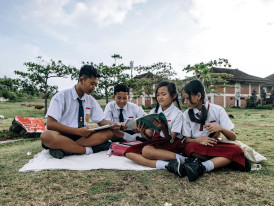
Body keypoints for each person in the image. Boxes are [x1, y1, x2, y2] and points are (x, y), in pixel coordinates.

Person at [166, 79, 251, 182]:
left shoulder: (218, 110)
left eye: (187, 98)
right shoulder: (186, 115)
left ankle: (201, 166)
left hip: (214, 145)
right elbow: (187, 140)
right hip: (197, 147)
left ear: (198, 96)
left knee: (236, 149)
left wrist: (221, 128)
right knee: (189, 148)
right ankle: (222, 161)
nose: (185, 102)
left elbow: (233, 137)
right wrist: (198, 140)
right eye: (184, 99)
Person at [40, 65, 121, 159]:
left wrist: (114, 124)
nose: (94, 87)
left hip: (82, 137)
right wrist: (77, 131)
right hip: (62, 135)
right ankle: (88, 150)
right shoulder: (61, 97)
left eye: (96, 85)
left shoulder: (90, 100)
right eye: (92, 84)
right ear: (82, 80)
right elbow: (50, 124)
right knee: (46, 136)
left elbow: (101, 121)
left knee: (108, 133)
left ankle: (64, 148)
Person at [125, 81, 187, 169]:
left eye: (163, 94)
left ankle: (183, 159)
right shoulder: (154, 111)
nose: (160, 97)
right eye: (158, 95)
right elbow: (149, 136)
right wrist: (142, 132)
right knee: (129, 152)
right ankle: (168, 165)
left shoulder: (178, 114)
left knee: (146, 151)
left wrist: (163, 129)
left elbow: (171, 139)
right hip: (156, 142)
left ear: (174, 96)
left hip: (171, 144)